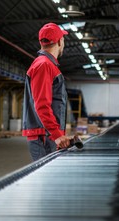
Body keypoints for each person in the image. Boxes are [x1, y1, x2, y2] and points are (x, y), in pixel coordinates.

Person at [22, 22, 72, 161]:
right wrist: (57, 135)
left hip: (47, 134)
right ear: (60, 42)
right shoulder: (44, 65)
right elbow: (42, 105)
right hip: (44, 135)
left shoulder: (46, 65)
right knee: (46, 180)